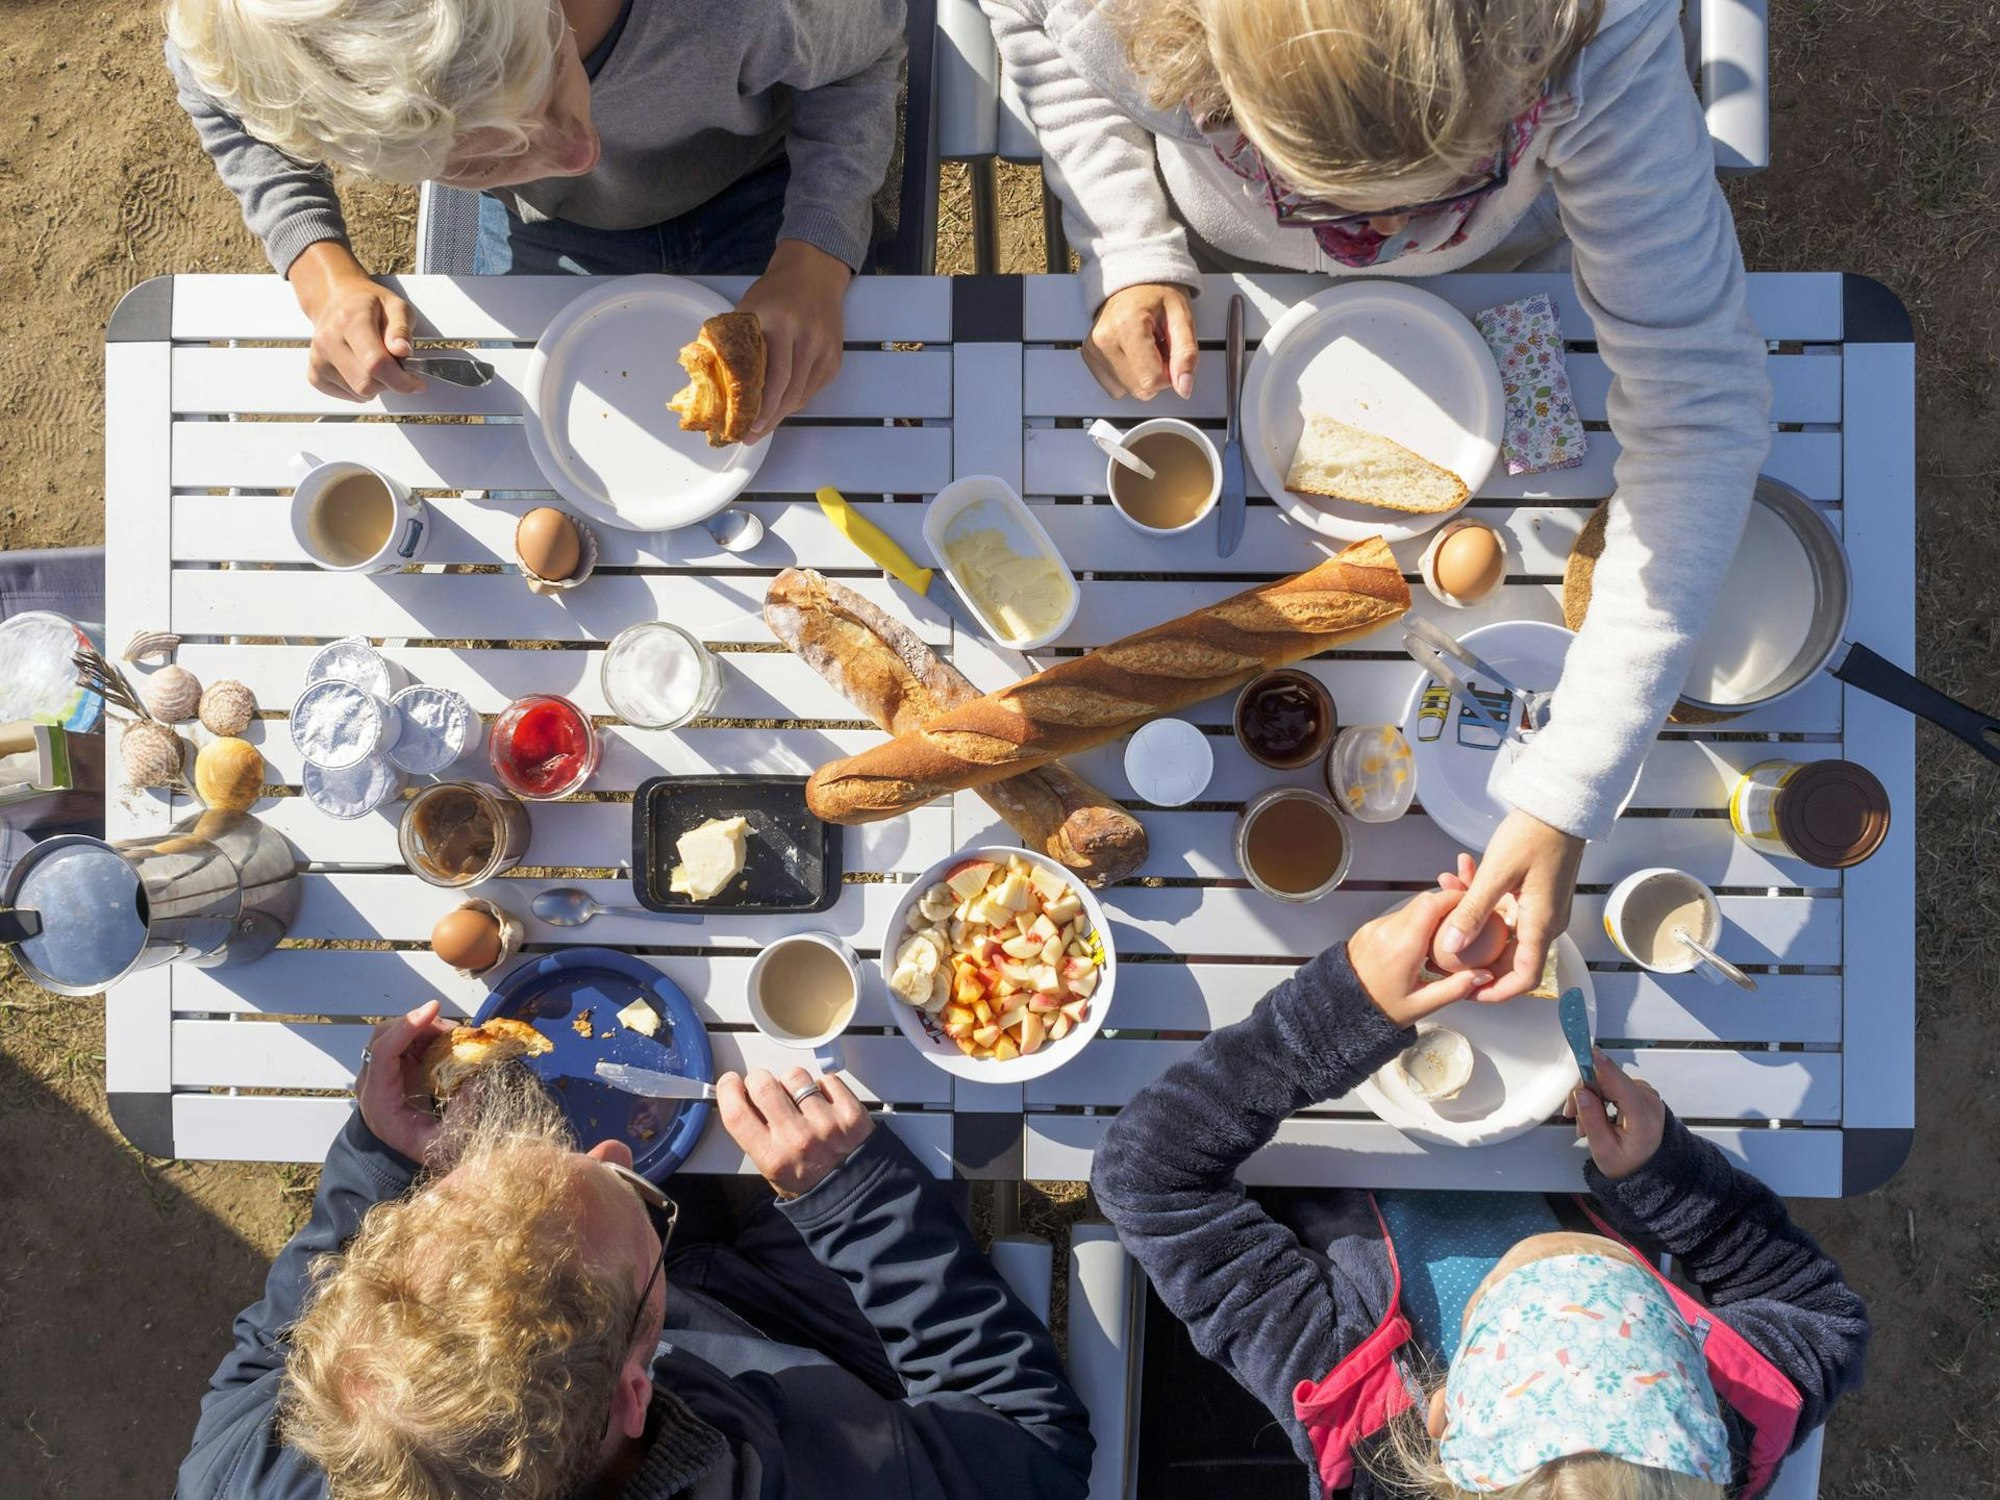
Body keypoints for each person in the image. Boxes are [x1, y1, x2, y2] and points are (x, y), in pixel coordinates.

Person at [980, 0, 1773, 994]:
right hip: (1221, 268)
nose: (1387, 235)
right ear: (1183, 57)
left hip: (1500, 269)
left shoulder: (1593, 34)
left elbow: (1699, 415)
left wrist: (1570, 786)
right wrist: (1131, 246)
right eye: (1312, 197)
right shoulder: (1114, 17)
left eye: (1449, 186)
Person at [1091, 874, 1869, 1498]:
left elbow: (1148, 1178)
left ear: (1440, 1413)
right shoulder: (1730, 1418)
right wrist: (1667, 1180)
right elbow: (1820, 1316)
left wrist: (1337, 1014)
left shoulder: (1356, 1415)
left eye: (1506, 1281)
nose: (1540, 1241)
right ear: (1697, 1367)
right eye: (1617, 1271)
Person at [176, 1000, 1093, 1500]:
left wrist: (378, 1159)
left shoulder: (251, 1471)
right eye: (639, 1202)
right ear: (634, 1391)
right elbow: (1030, 1446)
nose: (608, 1152)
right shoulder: (834, 1479)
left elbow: (269, 1349)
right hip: (832, 1363)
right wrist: (856, 1205)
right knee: (908, 1101)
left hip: (672, 1309)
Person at [165, 0, 905, 430]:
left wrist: (815, 254)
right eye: (481, 162)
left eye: (552, 74)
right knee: (536, 472)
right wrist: (321, 275)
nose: (582, 152)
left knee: (839, 431)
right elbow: (211, 80)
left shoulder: (737, 11)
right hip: (553, 230)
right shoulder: (266, 29)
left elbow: (866, 54)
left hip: (767, 185)